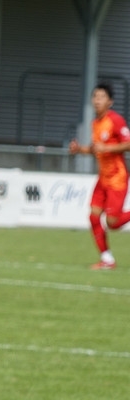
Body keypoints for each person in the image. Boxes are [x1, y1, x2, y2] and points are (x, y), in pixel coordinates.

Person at [68, 82, 130, 270]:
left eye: (102, 97)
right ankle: (107, 259)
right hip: (103, 179)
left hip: (117, 178)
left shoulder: (116, 120)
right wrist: (80, 149)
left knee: (113, 223)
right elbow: (97, 149)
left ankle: (107, 259)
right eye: (95, 96)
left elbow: (128, 143)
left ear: (110, 102)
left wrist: (107, 147)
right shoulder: (95, 123)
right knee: (94, 217)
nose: (97, 100)